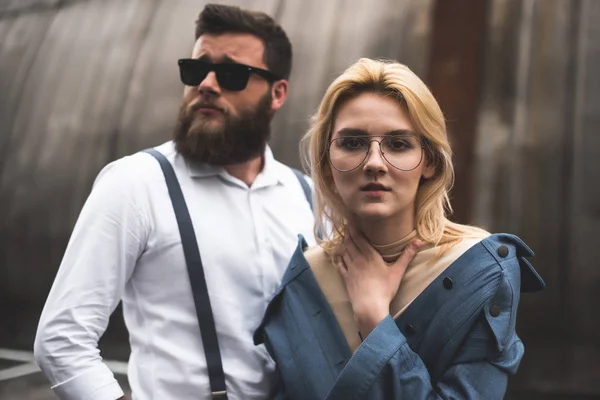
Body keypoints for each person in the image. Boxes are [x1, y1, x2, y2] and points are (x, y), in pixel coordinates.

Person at [33, 4, 315, 400]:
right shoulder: (136, 183)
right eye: (196, 69)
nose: (207, 84)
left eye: (231, 74)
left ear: (277, 93)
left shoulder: (307, 195)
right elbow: (62, 338)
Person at [254, 58, 545, 399]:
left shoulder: (481, 271)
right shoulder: (303, 278)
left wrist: (374, 318)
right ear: (324, 159)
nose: (374, 163)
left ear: (430, 161)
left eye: (398, 144)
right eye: (352, 143)